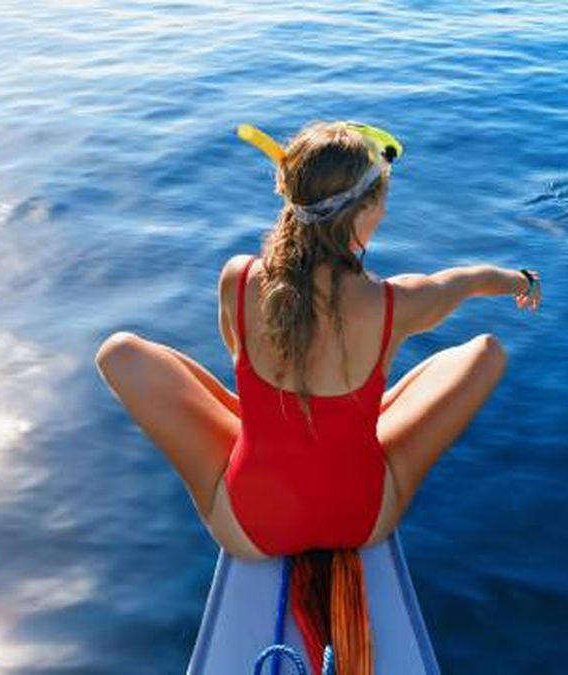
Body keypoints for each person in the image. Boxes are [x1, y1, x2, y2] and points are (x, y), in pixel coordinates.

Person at [94, 120, 541, 561]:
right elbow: (467, 281)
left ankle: (273, 428)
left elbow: (235, 349)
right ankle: (343, 424)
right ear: (366, 211)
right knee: (486, 352)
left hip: (249, 528)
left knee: (119, 353)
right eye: (383, 201)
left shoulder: (239, 276)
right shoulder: (395, 302)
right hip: (364, 520)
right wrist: (523, 281)